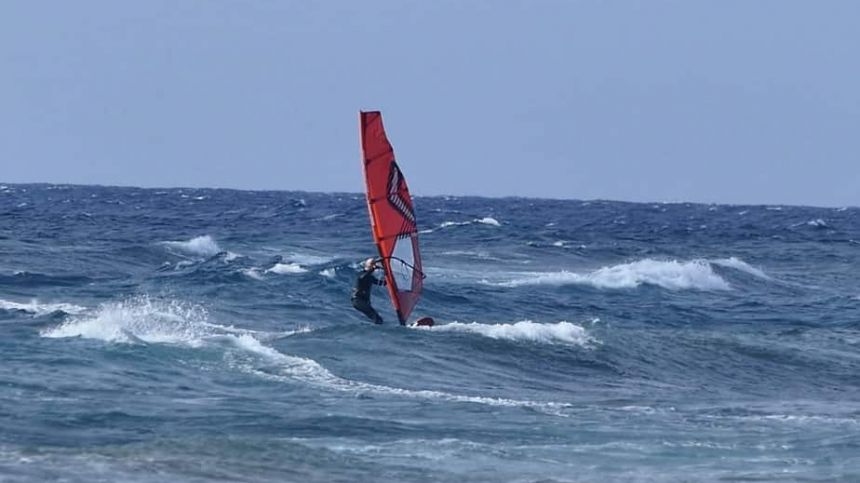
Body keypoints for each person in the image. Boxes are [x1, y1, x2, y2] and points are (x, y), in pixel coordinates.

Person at [352, 257, 386, 324]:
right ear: (366, 265)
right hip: (357, 300)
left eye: (374, 264)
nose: (374, 265)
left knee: (377, 318)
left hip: (364, 301)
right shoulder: (361, 274)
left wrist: (386, 274)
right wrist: (373, 268)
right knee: (375, 317)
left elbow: (382, 283)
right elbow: (363, 278)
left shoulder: (370, 277)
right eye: (372, 264)